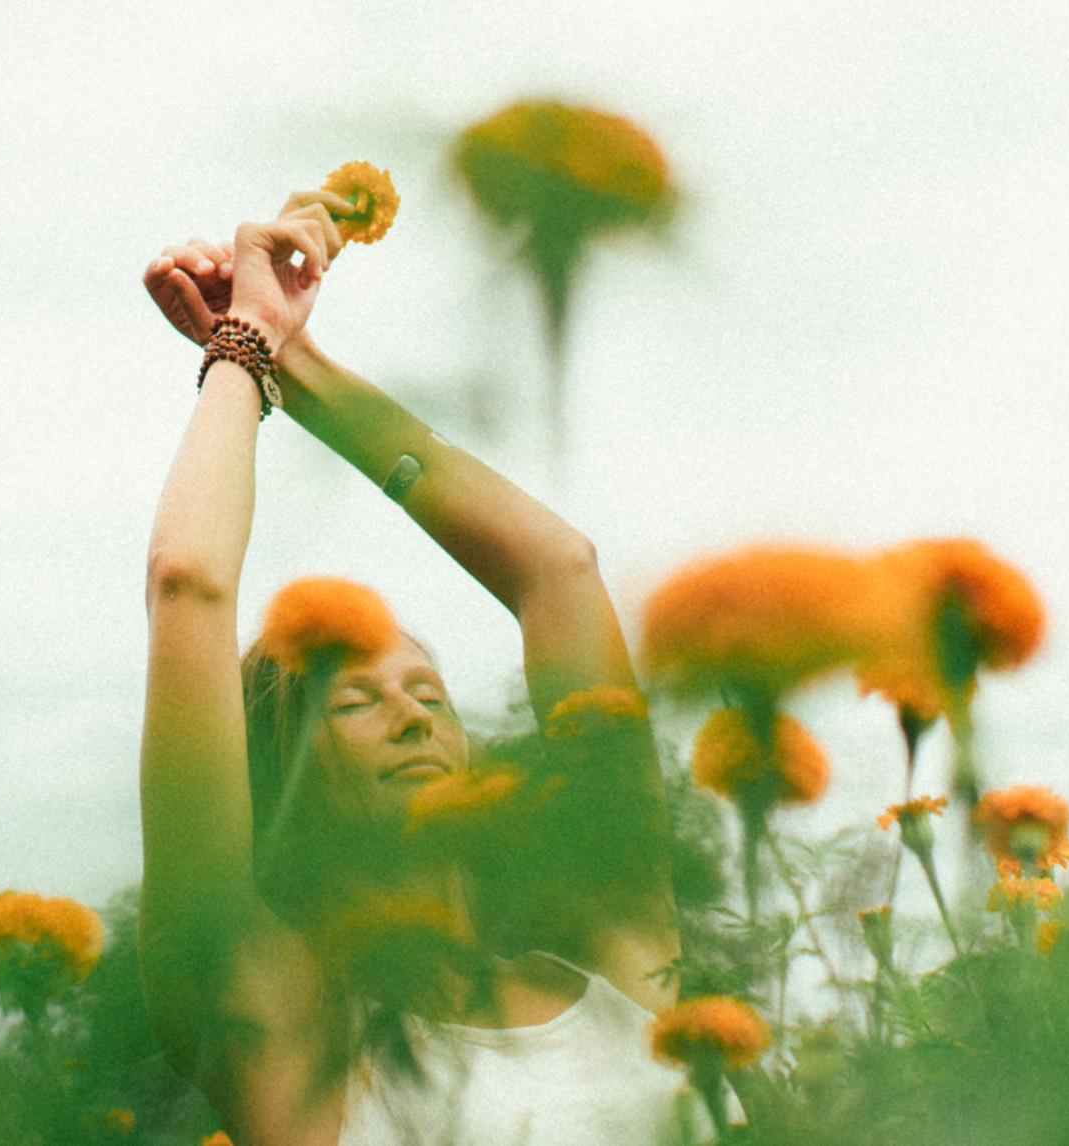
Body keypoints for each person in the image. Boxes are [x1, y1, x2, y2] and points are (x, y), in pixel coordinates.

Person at [135, 193, 715, 1144]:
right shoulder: (283, 1023)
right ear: (279, 769)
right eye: (354, 701)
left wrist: (295, 357)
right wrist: (241, 349)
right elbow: (187, 585)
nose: (413, 718)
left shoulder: (622, 959)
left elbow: (558, 570)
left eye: (429, 695)